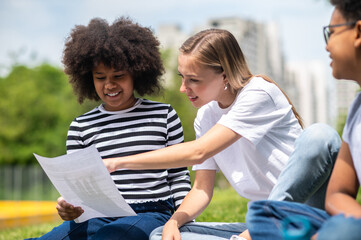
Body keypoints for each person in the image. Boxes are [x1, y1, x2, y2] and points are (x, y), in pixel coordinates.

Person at [103, 28, 341, 240]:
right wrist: (173, 222)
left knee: (320, 135)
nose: (183, 88)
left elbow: (198, 151)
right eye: (182, 78)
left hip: (305, 217)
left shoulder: (259, 93)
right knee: (161, 234)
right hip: (260, 229)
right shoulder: (206, 116)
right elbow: (201, 190)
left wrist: (120, 161)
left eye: (193, 80)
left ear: (225, 75)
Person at [25, 17, 191, 240]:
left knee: (110, 236)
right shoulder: (81, 126)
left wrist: (181, 221)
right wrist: (68, 207)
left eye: (118, 76)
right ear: (88, 78)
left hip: (152, 213)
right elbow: (78, 190)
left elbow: (179, 176)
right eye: (100, 77)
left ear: (137, 72)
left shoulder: (164, 115)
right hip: (96, 216)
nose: (109, 85)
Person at [246, 0, 361, 239]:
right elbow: (338, 194)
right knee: (262, 214)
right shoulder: (356, 111)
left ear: (358, 32)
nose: (327, 45)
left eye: (331, 32)